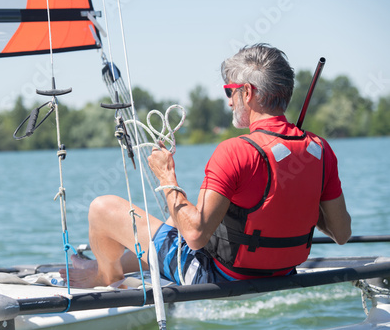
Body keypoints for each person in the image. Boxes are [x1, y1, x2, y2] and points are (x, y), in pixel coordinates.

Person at [62, 43, 351, 287]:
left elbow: (196, 237)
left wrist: (166, 177)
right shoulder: (320, 150)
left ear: (247, 93)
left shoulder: (236, 151)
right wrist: (295, 198)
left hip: (217, 278)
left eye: (229, 91)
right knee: (177, 218)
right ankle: (119, 266)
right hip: (282, 275)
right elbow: (342, 233)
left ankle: (104, 276)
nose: (228, 102)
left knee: (103, 209)